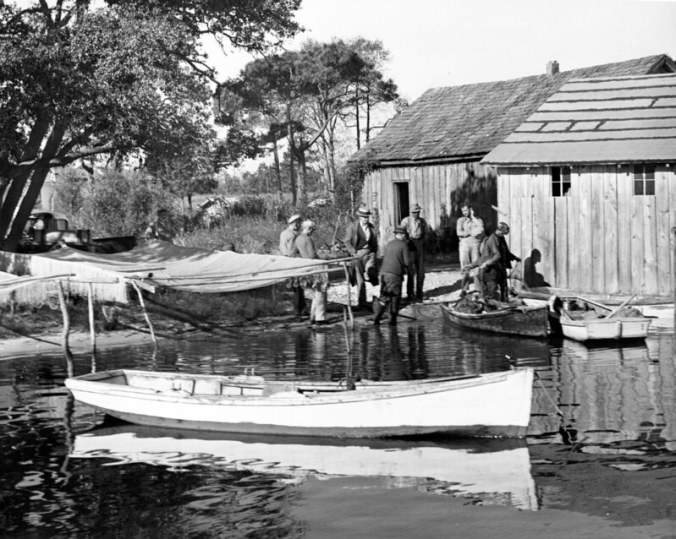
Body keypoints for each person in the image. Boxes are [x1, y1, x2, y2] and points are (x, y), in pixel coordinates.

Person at [342, 206, 378, 309]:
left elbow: (375, 241)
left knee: (371, 269)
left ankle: (373, 280)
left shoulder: (371, 227)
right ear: (359, 217)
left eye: (367, 217)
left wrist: (375, 252)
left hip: (369, 253)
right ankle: (362, 302)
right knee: (360, 280)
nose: (366, 219)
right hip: (357, 255)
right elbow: (347, 241)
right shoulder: (352, 227)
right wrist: (353, 252)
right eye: (364, 217)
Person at [373, 226, 410, 326]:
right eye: (405, 235)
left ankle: (376, 318)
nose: (405, 236)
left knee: (384, 296)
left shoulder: (389, 244)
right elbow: (407, 262)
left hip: (383, 273)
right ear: (402, 235)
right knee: (395, 298)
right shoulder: (404, 245)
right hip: (395, 274)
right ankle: (391, 321)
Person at [476, 222, 521, 301]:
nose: (503, 235)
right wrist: (486, 263)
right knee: (492, 290)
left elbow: (506, 252)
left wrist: (515, 258)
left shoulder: (501, 238)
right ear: (499, 231)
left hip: (501, 268)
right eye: (503, 233)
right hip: (492, 270)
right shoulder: (491, 240)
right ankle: (492, 307)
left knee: (504, 287)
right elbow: (496, 255)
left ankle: (504, 303)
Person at [295, 220, 329, 326]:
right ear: (308, 228)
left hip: (305, 266)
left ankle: (313, 316)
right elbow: (312, 254)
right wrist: (322, 259)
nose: (312, 232)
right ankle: (320, 318)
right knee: (320, 291)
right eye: (312, 230)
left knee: (315, 293)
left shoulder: (298, 238)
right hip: (314, 266)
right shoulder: (307, 239)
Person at [400, 203, 429, 302]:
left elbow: (426, 232)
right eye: (413, 212)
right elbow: (400, 231)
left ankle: (419, 293)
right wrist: (406, 241)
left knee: (421, 271)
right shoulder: (406, 221)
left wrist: (424, 241)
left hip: (420, 244)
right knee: (410, 271)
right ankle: (410, 294)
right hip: (410, 244)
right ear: (411, 213)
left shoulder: (422, 221)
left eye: (417, 212)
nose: (415, 214)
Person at [279, 214, 306, 316]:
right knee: (297, 287)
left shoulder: (290, 233)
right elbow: (287, 250)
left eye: (298, 224)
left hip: (294, 260)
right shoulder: (289, 234)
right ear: (292, 224)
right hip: (293, 261)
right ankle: (298, 311)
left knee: (299, 288)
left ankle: (302, 309)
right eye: (296, 224)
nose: (297, 226)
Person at [456, 203, 485, 296]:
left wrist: (473, 216)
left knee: (476, 266)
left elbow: (481, 230)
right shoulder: (461, 220)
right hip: (464, 245)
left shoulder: (478, 220)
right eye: (463, 211)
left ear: (470, 209)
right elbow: (459, 233)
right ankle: (464, 289)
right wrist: (471, 232)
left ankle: (478, 288)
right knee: (464, 266)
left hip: (475, 244)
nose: (464, 212)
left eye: (466, 210)